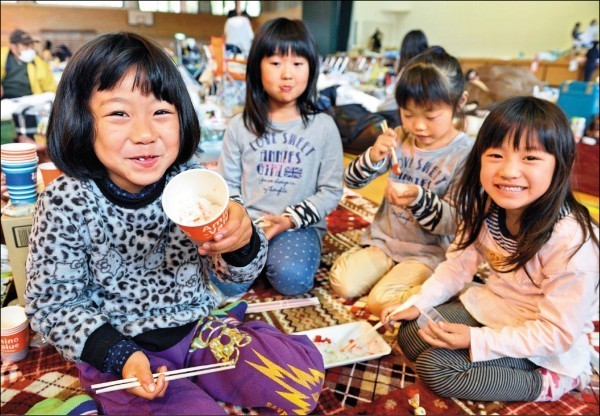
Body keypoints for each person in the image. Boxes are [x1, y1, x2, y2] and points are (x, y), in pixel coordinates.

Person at [24, 32, 325, 415]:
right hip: (123, 353)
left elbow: (236, 276)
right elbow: (52, 303)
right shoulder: (67, 199)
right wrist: (118, 356)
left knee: (301, 379)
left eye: (161, 112)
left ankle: (223, 357)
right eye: (119, 113)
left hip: (198, 328)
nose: (145, 134)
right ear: (83, 119)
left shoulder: (195, 182)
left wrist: (243, 239)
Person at [382, 96, 599, 403]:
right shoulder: (486, 206)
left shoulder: (571, 243)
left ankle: (554, 381)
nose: (509, 171)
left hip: (546, 335)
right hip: (497, 307)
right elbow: (458, 265)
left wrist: (476, 339)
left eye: (531, 158)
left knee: (437, 368)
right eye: (496, 154)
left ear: (559, 165)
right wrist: (420, 302)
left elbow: (557, 333)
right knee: (412, 331)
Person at [329, 47, 473, 315]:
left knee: (380, 302)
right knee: (342, 284)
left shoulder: (465, 154)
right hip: (384, 243)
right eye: (408, 114)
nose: (418, 126)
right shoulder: (399, 137)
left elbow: (453, 221)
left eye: (431, 116)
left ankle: (445, 289)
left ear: (460, 102)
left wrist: (419, 199)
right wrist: (373, 155)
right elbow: (351, 180)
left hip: (427, 253)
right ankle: (395, 276)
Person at [216, 18, 344, 297]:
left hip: (298, 226)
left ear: (311, 69)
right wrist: (242, 225)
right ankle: (256, 259)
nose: (287, 74)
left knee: (292, 279)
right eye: (275, 63)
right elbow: (228, 185)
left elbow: (332, 190)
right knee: (224, 284)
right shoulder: (240, 125)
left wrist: (288, 219)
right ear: (257, 68)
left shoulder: (323, 127)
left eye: (297, 64)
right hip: (248, 224)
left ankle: (269, 260)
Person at [377, 29, 428, 112]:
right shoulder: (427, 70)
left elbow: (391, 102)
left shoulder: (407, 71)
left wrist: (378, 108)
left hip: (396, 115)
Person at [1, 29, 56, 99]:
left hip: (30, 100)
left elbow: (51, 90)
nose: (30, 49)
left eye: (32, 46)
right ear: (13, 47)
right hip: (6, 101)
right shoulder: (3, 56)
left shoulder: (39, 63)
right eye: (26, 46)